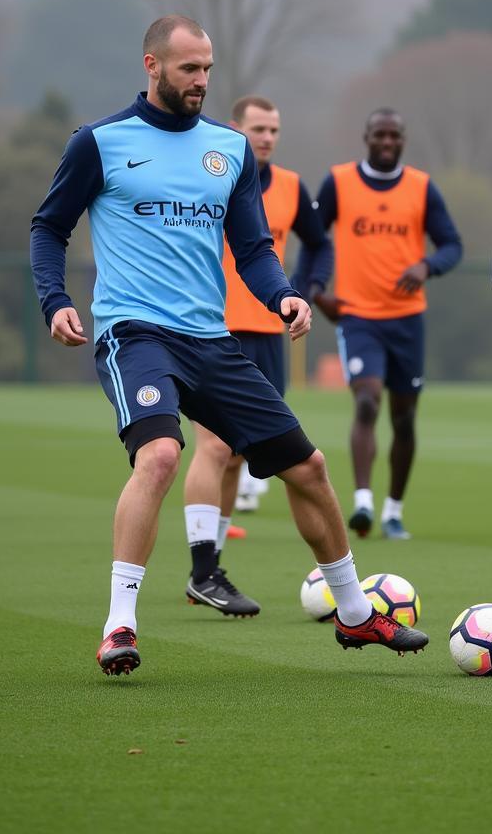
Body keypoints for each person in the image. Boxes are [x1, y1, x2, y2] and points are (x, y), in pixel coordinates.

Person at [30, 15, 427, 676]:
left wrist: (284, 296)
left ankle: (356, 615)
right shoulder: (99, 143)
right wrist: (56, 300)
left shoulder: (230, 150)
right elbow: (49, 229)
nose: (202, 81)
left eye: (208, 69)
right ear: (152, 65)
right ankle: (119, 624)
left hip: (212, 341)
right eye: (189, 68)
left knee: (310, 468)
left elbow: (252, 249)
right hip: (135, 334)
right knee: (159, 456)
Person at [180, 94, 333, 617]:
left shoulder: (291, 187)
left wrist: (305, 288)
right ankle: (203, 569)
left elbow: (319, 242)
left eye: (273, 129)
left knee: (242, 454)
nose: (266, 137)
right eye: (257, 129)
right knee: (215, 448)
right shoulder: (210, 174)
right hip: (212, 327)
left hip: (270, 334)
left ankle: (211, 568)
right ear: (234, 130)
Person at [312, 109, 462, 540]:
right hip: (358, 317)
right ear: (366, 136)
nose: (386, 141)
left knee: (404, 418)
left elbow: (452, 244)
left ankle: (393, 510)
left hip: (407, 319)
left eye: (394, 135)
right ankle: (362, 502)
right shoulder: (338, 182)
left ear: (403, 139)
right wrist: (317, 292)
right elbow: (315, 239)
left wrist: (426, 266)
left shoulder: (421, 187)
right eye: (379, 134)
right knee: (366, 402)